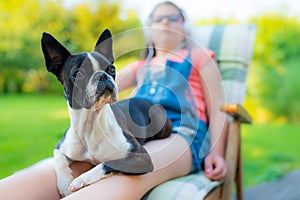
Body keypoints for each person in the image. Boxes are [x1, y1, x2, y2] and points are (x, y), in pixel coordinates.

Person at [0, 1, 227, 199]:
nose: (166, 22)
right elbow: (99, 80)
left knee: (129, 174)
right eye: (159, 18)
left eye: (173, 17)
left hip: (181, 131)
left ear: (184, 25)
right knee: (53, 175)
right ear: (150, 29)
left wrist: (216, 151)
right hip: (127, 131)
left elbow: (219, 108)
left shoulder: (199, 56)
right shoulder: (141, 66)